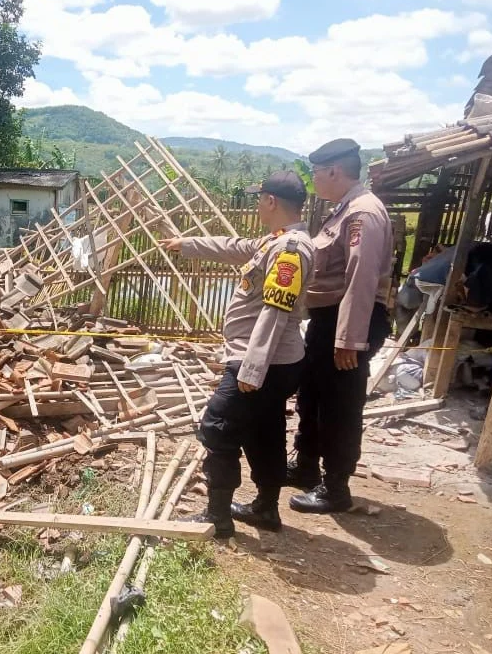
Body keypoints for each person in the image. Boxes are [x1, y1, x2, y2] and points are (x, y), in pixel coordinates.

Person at [161, 171, 314, 538]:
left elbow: (275, 311)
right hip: (271, 363)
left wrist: (252, 368)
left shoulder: (290, 250)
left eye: (259, 199)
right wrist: (188, 243)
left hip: (260, 362)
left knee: (218, 426)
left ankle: (217, 517)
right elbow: (235, 246)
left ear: (271, 201)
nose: (258, 205)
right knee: (265, 430)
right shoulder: (277, 241)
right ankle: (265, 508)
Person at [287, 138, 393, 514]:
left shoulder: (362, 213)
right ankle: (305, 467)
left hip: (349, 321)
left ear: (334, 171)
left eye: (316, 172)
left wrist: (350, 338)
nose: (314, 179)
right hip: (328, 318)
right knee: (312, 396)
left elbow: (360, 278)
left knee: (339, 405)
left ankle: (335, 487)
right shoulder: (342, 211)